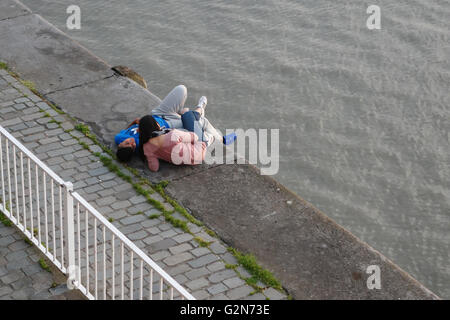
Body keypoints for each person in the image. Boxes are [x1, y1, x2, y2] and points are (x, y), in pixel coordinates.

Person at [115, 84, 237, 163]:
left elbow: (136, 120)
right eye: (131, 145)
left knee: (181, 89)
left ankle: (186, 113)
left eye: (127, 143)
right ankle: (220, 138)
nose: (131, 142)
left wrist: (135, 124)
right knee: (199, 121)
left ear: (120, 144)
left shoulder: (119, 137)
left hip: (157, 114)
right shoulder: (142, 145)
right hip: (169, 126)